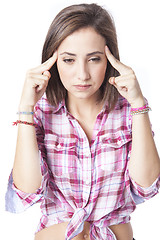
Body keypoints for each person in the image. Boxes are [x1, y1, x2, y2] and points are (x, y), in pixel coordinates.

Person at [5, 3, 160, 240]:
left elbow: (146, 186)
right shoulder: (41, 113)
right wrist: (26, 109)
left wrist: (139, 104)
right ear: (53, 61)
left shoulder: (129, 112)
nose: (82, 74)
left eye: (94, 59)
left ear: (109, 60)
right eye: (69, 60)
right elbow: (26, 191)